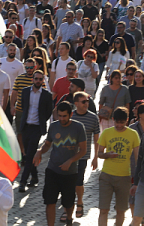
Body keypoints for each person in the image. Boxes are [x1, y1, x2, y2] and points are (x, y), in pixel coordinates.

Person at [33, 101, 86, 226]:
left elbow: (83, 150)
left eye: (64, 116)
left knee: (68, 202)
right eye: (59, 116)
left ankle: (68, 219)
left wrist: (70, 161)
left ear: (70, 114)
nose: (61, 119)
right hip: (52, 170)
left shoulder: (78, 127)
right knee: (50, 201)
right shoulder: (53, 126)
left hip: (70, 172)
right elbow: (47, 144)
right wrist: (40, 152)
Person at [97, 107, 139, 226]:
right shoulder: (107, 132)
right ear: (113, 119)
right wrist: (107, 155)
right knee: (103, 210)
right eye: (117, 122)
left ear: (127, 120)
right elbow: (99, 153)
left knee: (121, 210)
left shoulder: (133, 134)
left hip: (124, 177)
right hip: (106, 176)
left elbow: (137, 158)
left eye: (122, 122)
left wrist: (136, 178)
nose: (119, 125)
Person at [62, 91, 100, 221]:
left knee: (78, 182)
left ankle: (79, 202)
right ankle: (67, 209)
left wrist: (95, 158)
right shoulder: (71, 117)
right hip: (68, 155)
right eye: (84, 101)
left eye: (87, 101)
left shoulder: (93, 117)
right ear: (76, 103)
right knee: (67, 184)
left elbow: (96, 139)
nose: (87, 103)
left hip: (83, 156)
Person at [17, 70, 53, 193]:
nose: (38, 81)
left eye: (40, 79)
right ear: (32, 79)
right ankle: (35, 176)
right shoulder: (25, 91)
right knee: (28, 153)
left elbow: (48, 112)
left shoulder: (47, 95)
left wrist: (42, 121)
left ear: (43, 80)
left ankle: (22, 181)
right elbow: (23, 107)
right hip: (26, 126)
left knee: (30, 154)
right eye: (36, 78)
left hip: (37, 128)